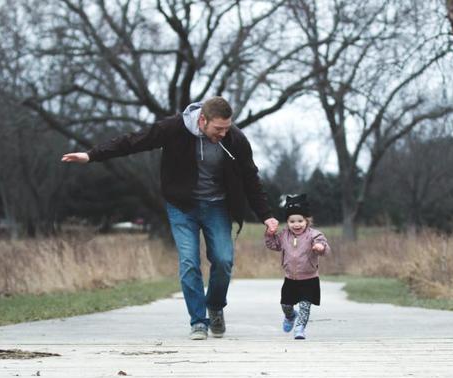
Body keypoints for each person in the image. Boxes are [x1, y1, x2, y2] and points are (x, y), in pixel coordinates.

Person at [61, 97, 278, 340]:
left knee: (223, 260)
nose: (223, 133)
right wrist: (92, 155)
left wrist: (266, 216)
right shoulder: (174, 128)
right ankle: (198, 321)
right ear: (202, 120)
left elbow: (251, 178)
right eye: (218, 129)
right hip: (182, 206)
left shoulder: (235, 139)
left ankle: (215, 306)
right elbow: (134, 141)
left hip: (217, 205)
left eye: (227, 127)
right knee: (189, 262)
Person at [264, 194, 330, 340]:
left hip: (309, 279)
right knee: (286, 305)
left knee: (305, 307)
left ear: (307, 221)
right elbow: (272, 245)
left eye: (300, 221)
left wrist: (320, 247)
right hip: (290, 279)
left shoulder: (314, 235)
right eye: (292, 221)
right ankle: (290, 316)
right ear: (287, 222)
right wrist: (269, 235)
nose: (296, 224)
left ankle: (300, 329)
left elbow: (325, 246)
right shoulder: (283, 236)